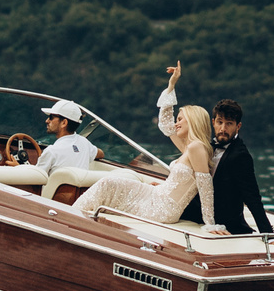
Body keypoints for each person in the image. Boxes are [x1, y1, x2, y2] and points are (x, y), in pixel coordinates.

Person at [70, 68, 222, 230]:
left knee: (108, 184)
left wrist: (210, 224)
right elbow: (165, 124)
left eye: (180, 120)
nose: (176, 124)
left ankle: (71, 217)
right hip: (158, 195)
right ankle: (75, 217)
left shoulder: (195, 147)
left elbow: (205, 185)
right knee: (108, 183)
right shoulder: (189, 147)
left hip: (163, 208)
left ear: (192, 121)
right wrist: (171, 85)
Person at [160, 67, 274, 236]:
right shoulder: (203, 147)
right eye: (220, 122)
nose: (223, 128)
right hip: (191, 213)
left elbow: (252, 198)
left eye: (229, 124)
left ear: (238, 126)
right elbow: (168, 128)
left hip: (224, 222)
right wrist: (172, 85)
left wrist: (269, 236)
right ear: (213, 122)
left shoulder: (241, 156)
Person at [25, 99, 101, 198]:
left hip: (49, 201)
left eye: (51, 117)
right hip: (77, 200)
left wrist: (18, 166)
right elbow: (101, 154)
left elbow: (33, 179)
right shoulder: (85, 143)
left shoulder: (52, 151)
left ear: (64, 123)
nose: (47, 121)